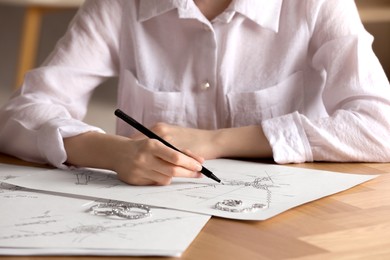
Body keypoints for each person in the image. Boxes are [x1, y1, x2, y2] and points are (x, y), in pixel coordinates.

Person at [1, 0, 390, 186]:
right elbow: (22, 112)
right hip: (148, 219)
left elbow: (380, 126)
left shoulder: (317, 4)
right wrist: (111, 152)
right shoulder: (120, 5)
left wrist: (216, 141)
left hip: (282, 222)